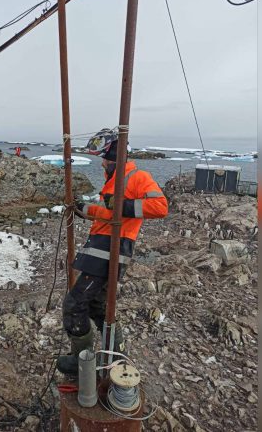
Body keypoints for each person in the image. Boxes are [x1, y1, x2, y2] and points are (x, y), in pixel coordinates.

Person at [56, 128, 168, 376]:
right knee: (98, 306)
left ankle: (81, 360)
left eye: (104, 160)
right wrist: (84, 208)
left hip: (110, 250)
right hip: (101, 247)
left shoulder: (136, 177)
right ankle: (116, 355)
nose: (102, 165)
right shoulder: (115, 182)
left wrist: (122, 205)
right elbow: (108, 213)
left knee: (74, 304)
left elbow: (160, 207)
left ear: (113, 158)